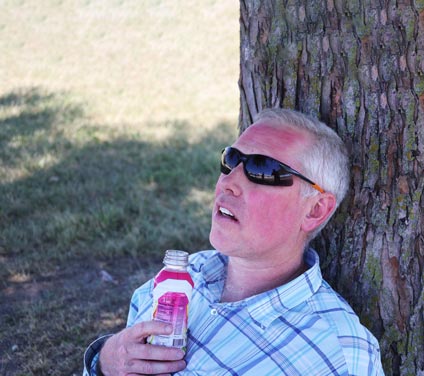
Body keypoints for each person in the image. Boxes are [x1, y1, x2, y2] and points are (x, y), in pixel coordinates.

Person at [83, 108, 384, 375]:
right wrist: (106, 362)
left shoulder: (339, 354)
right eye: (231, 160)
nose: (228, 181)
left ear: (315, 209)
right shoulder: (183, 276)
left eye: (263, 170)